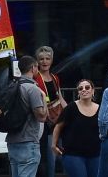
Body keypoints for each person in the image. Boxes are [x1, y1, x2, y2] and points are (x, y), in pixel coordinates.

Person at [6, 55, 48, 177]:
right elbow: (41, 116)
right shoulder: (32, 89)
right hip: (28, 141)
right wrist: (44, 99)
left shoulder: (11, 87)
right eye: (37, 67)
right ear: (33, 68)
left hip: (12, 141)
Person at [52, 79, 101, 177]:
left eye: (87, 87)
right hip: (73, 154)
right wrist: (54, 145)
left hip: (95, 154)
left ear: (93, 91)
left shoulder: (100, 108)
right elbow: (58, 126)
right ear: (78, 92)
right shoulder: (71, 108)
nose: (84, 90)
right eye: (80, 88)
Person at [36, 46, 67, 177]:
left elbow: (60, 98)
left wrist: (72, 113)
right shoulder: (35, 77)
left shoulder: (55, 77)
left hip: (58, 121)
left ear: (52, 60)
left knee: (64, 155)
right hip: (45, 123)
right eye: (41, 59)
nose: (44, 61)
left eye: (47, 58)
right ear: (37, 61)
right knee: (50, 159)